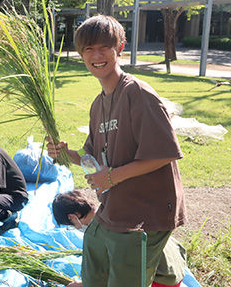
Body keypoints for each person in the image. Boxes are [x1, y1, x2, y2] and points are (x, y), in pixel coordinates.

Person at [46, 15, 186, 287]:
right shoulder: (98, 104)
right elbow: (93, 159)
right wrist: (67, 154)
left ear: (119, 48)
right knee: (94, 250)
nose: (96, 55)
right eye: (88, 49)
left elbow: (165, 153)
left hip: (147, 211)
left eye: (103, 47)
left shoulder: (139, 94)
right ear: (81, 54)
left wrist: (112, 177)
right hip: (117, 206)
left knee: (125, 278)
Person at [52, 191, 186, 287]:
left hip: (159, 280)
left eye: (71, 226)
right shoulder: (111, 209)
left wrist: (82, 284)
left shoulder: (96, 233)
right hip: (176, 268)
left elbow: (102, 279)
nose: (75, 229)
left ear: (73, 217)